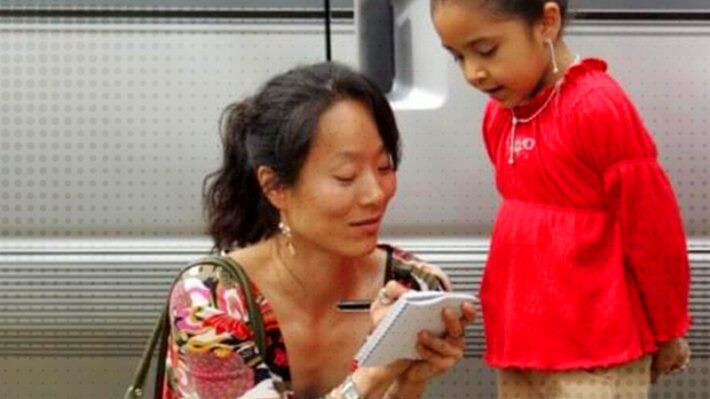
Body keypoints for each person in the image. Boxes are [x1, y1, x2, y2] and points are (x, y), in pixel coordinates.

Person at [162, 62, 476, 399]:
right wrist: (376, 372)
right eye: (345, 176)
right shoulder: (211, 300)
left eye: (384, 167)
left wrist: (409, 380)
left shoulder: (412, 287)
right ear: (274, 186)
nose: (375, 194)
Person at [429, 0, 691, 397]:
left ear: (547, 23)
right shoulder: (502, 116)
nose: (472, 73)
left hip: (598, 353)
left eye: (485, 51)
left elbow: (653, 231)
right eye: (457, 57)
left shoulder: (596, 108)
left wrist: (668, 328)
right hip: (521, 345)